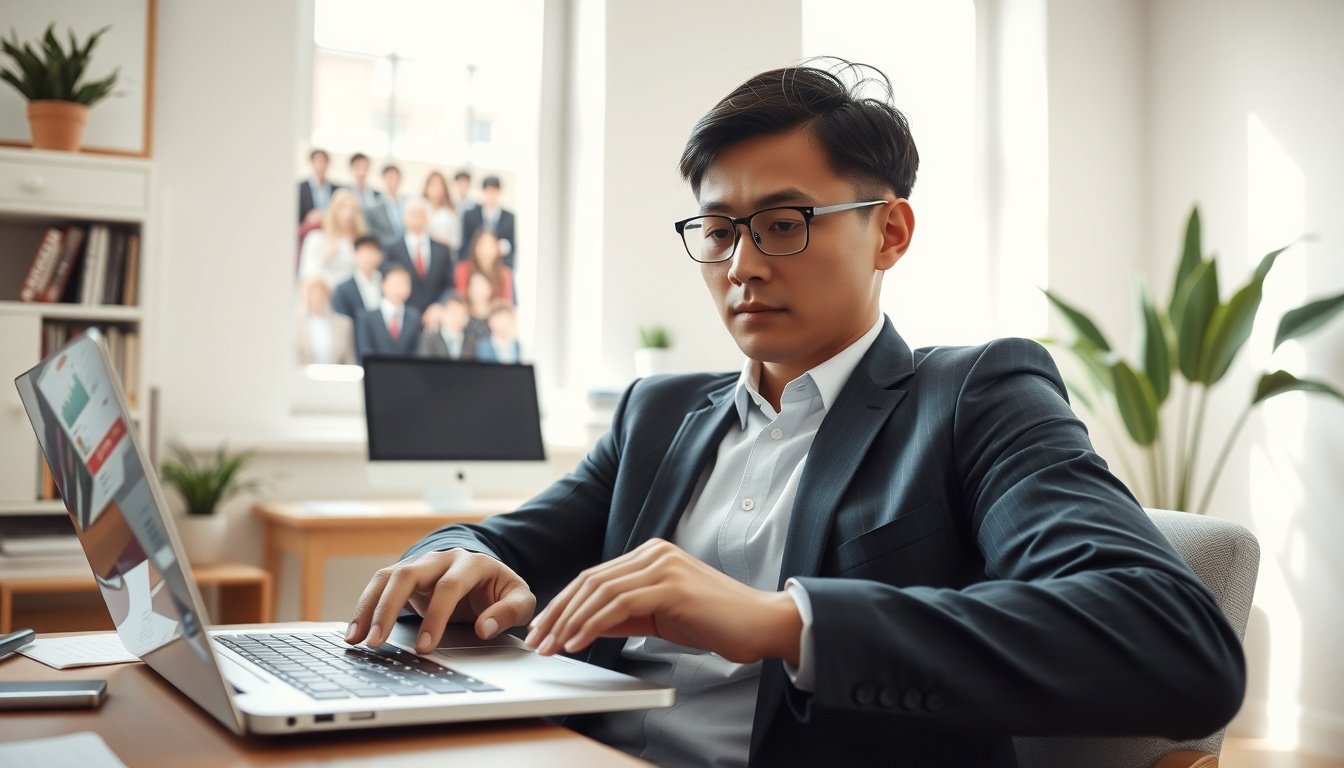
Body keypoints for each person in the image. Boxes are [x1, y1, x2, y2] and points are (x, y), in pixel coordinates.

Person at [346, 60, 1244, 767]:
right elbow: (506, 541)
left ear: (890, 232)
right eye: (720, 231)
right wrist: (451, 559)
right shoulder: (658, 413)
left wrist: (784, 620)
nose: (741, 266)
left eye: (784, 224)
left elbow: (1170, 640)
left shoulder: (976, 397)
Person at [384, 197, 454, 313]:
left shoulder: (442, 249)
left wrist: (438, 306)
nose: (417, 219)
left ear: (428, 218)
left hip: (435, 315)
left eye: (421, 215)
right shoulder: (392, 249)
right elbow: (389, 281)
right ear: (404, 218)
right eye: (412, 215)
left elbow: (449, 284)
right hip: (403, 312)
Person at [298, 188, 366, 288]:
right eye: (343, 207)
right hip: (324, 293)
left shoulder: (359, 243)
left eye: (353, 209)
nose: (348, 214)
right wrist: (324, 258)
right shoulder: (316, 238)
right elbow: (305, 273)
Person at [353, 264, 420, 363]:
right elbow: (364, 350)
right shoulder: (366, 317)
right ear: (383, 284)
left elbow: (416, 351)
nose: (400, 288)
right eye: (395, 283)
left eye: (405, 283)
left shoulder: (414, 317)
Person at [459, 175, 516, 269]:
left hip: (499, 267)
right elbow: (465, 244)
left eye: (494, 192)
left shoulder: (509, 217)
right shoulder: (470, 215)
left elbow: (512, 246)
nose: (491, 196)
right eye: (488, 192)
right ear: (483, 192)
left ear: (499, 193)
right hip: (474, 266)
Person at [294, 277, 355, 365]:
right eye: (313, 292)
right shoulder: (297, 323)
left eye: (321, 292)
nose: (317, 296)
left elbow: (349, 360)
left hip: (335, 376)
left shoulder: (343, 324)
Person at [331, 235, 384, 320]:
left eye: (372, 252)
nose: (368, 257)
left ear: (380, 256)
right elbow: (342, 320)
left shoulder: (386, 283)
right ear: (355, 255)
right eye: (364, 252)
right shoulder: (343, 289)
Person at [454, 230, 514, 303]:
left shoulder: (504, 273)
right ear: (475, 247)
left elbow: (505, 303)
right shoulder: (463, 269)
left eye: (490, 245)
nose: (486, 250)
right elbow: (460, 299)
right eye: (482, 245)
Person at [417, 294, 476, 360]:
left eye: (461, 314)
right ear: (443, 314)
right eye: (453, 313)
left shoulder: (471, 343)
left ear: (467, 318)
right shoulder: (429, 339)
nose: (456, 318)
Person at [366, 164, 406, 247]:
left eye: (395, 178)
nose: (392, 182)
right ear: (383, 180)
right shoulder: (373, 208)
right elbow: (372, 232)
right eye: (389, 178)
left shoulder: (407, 206)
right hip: (385, 248)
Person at [423, 171, 461, 253]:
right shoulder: (419, 209)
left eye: (439, 185)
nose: (436, 189)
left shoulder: (451, 213)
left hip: (444, 254)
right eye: (432, 184)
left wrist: (446, 241)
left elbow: (457, 242)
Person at [298, 148, 339, 225]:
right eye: (317, 161)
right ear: (311, 163)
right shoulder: (300, 188)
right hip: (307, 231)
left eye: (323, 161)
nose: (320, 165)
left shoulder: (336, 190)